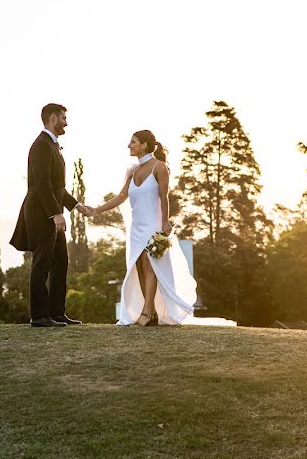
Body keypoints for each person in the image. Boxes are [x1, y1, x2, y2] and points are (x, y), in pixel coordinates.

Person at [85, 130, 197, 326]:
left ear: (144, 145)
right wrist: (96, 210)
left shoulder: (160, 167)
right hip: (136, 228)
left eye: (133, 142)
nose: (129, 145)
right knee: (138, 266)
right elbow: (121, 197)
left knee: (149, 264)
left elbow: (164, 197)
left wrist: (165, 222)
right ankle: (151, 311)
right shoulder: (132, 171)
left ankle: (146, 312)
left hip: (153, 225)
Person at [10, 103, 90, 327]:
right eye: (64, 118)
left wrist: (76, 206)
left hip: (52, 212)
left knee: (61, 262)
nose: (67, 122)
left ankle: (56, 313)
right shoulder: (41, 145)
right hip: (39, 213)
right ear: (53, 118)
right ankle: (38, 316)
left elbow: (58, 188)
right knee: (42, 263)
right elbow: (43, 185)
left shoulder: (53, 146)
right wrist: (55, 214)